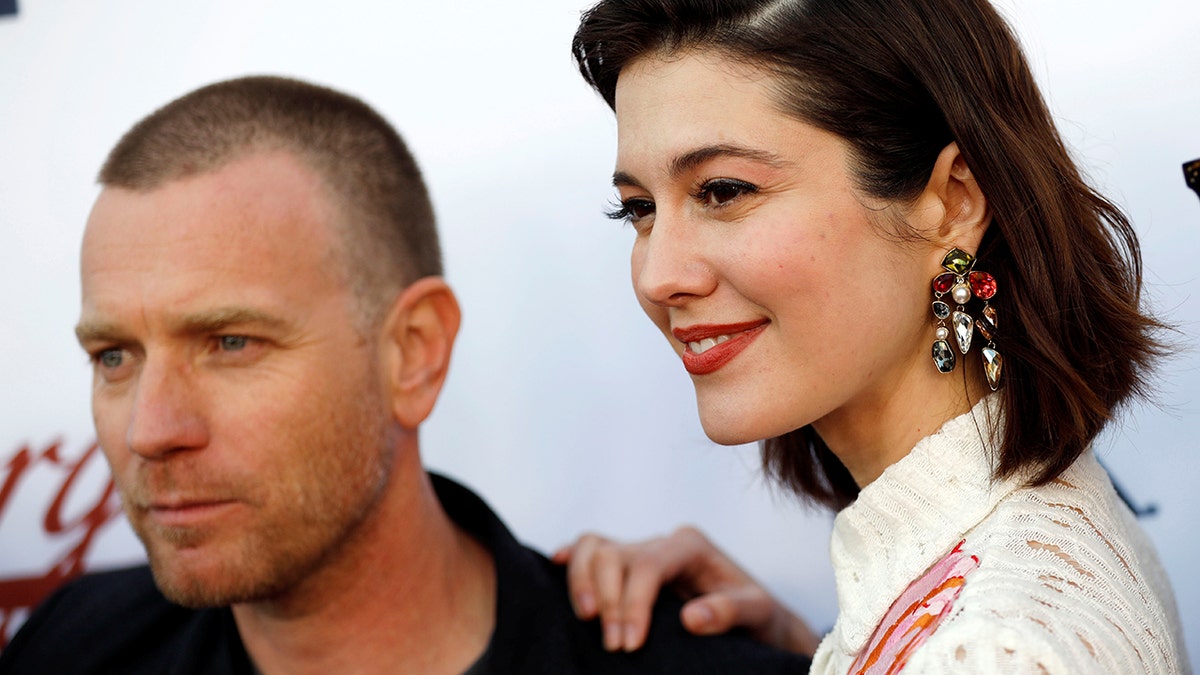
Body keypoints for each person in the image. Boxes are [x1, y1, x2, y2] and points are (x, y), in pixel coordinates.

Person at [0, 76, 810, 674]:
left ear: (413, 351)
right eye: (114, 356)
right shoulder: (73, 644)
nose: (151, 428)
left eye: (231, 343)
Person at [556, 0, 1191, 673]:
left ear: (953, 200)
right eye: (640, 208)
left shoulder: (988, 650)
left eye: (722, 190)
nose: (659, 276)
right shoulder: (1036, 538)